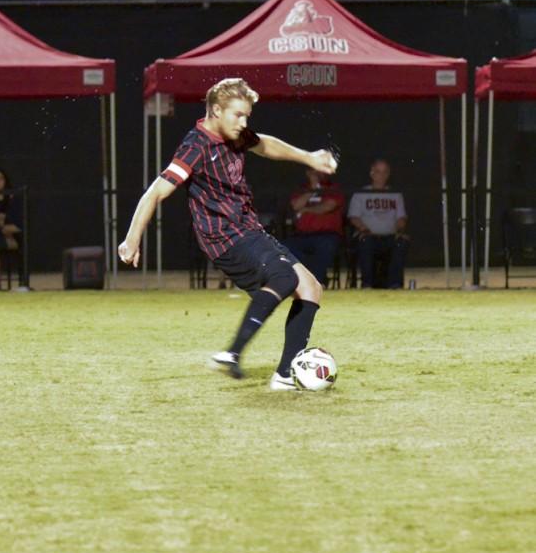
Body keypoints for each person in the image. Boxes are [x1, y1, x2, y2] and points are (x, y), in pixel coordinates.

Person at [118, 78, 337, 390]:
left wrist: (308, 157)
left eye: (247, 115)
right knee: (284, 277)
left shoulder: (235, 135)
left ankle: (284, 375)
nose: (244, 123)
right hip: (224, 237)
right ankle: (231, 353)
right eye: (238, 115)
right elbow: (155, 192)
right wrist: (132, 238)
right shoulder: (196, 146)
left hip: (248, 229)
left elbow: (265, 144)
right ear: (216, 110)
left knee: (311, 288)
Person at [348, 158, 409, 289]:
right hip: (368, 235)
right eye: (378, 171)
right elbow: (354, 217)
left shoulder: (395, 194)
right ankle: (367, 284)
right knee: (365, 242)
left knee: (401, 242)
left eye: (385, 172)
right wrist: (364, 229)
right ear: (372, 173)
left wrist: (399, 230)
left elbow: (401, 218)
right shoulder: (361, 194)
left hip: (390, 236)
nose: (381, 175)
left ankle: (395, 284)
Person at [284, 168, 345, 287]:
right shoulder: (302, 189)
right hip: (302, 234)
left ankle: (317, 282)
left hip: (327, 234)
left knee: (326, 245)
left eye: (319, 170)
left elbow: (328, 206)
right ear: (308, 173)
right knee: (285, 247)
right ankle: (304, 280)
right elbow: (296, 206)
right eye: (313, 171)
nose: (317, 174)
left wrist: (306, 209)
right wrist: (312, 188)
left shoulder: (333, 188)